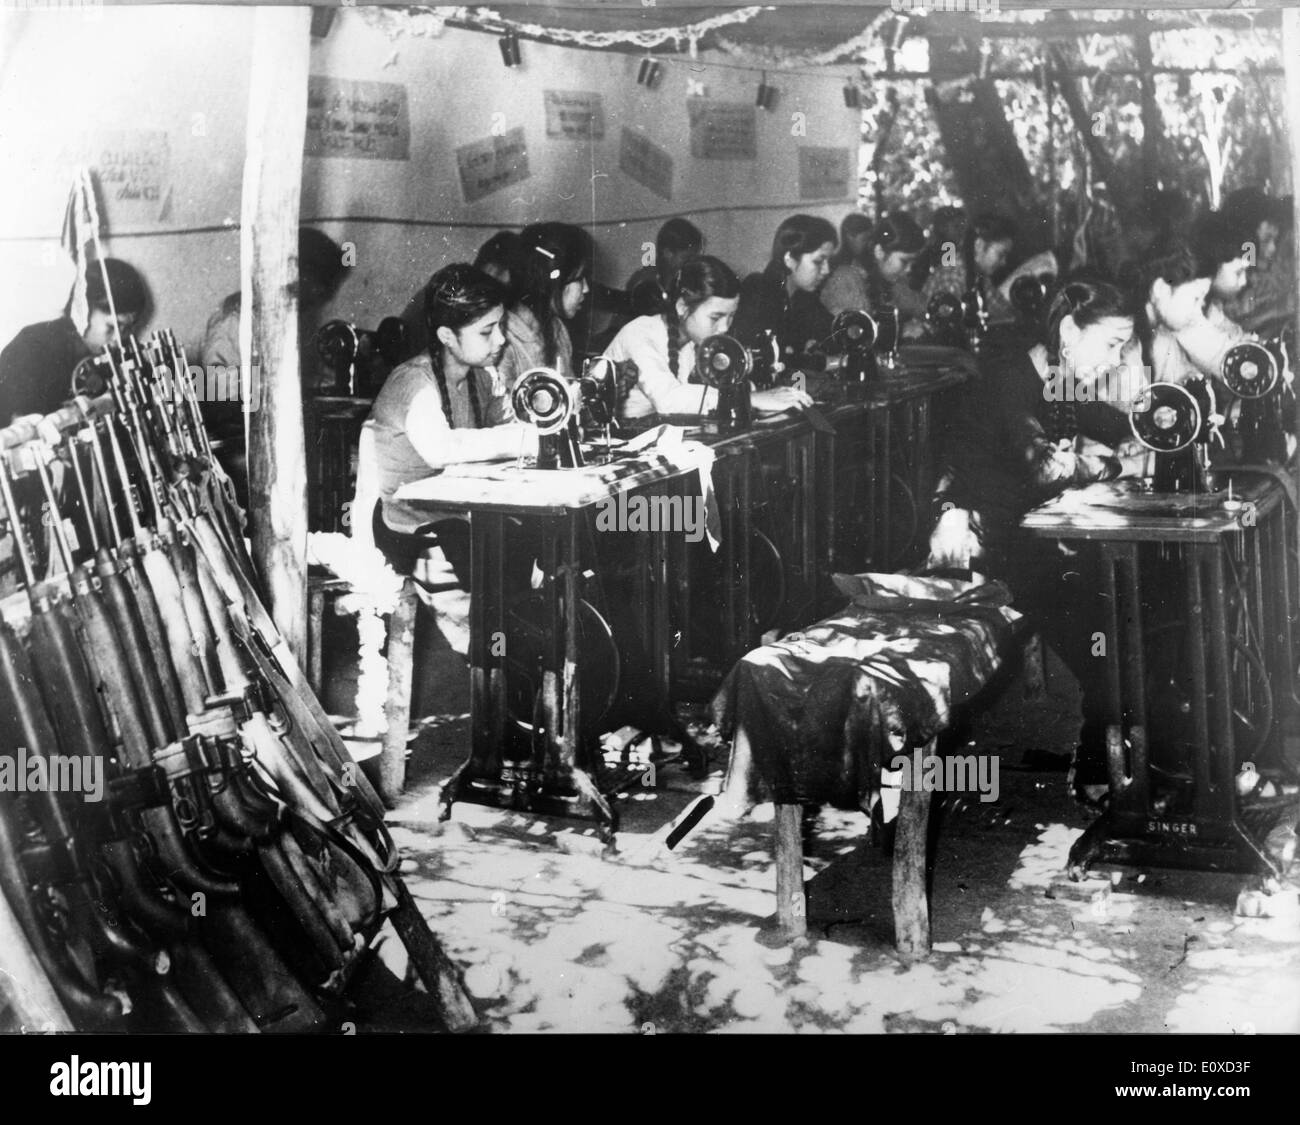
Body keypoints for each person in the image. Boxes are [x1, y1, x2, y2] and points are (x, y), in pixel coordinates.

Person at [927, 280, 1146, 802]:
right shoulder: (1010, 378)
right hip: (987, 550)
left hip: (1029, 542)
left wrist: (1151, 427)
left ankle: (1110, 766)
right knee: (1109, 635)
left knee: (1122, 616)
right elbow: (1044, 466)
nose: (1117, 360)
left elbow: (1119, 423)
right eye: (1113, 344)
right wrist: (1114, 463)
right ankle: (1099, 775)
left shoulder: (1057, 379)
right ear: (1071, 330)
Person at [363, 263, 538, 583]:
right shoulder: (413, 382)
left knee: (528, 535)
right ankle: (499, 624)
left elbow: (511, 424)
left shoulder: (483, 377)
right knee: (488, 547)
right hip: (405, 524)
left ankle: (514, 621)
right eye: (486, 331)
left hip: (452, 513)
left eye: (500, 326)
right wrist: (524, 439)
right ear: (446, 335)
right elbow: (440, 450)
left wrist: (532, 432)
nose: (500, 340)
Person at [200, 227, 349, 506]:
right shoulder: (237, 318)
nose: (322, 296)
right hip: (239, 452)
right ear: (294, 272)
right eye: (319, 285)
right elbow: (218, 396)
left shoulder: (280, 314)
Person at [602, 255, 813, 420]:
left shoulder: (695, 342)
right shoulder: (638, 333)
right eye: (716, 317)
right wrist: (749, 399)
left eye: (731, 317)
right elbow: (668, 400)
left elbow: (717, 388)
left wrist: (764, 392)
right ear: (683, 307)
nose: (724, 328)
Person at [0, 258, 149, 423]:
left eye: (127, 329)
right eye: (112, 327)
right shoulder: (33, 346)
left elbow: (167, 387)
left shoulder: (124, 353)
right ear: (82, 310)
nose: (118, 339)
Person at [732, 214, 838, 370]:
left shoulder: (804, 297)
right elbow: (768, 357)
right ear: (789, 258)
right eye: (818, 261)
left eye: (829, 261)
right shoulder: (758, 290)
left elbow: (833, 333)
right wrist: (828, 362)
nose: (826, 270)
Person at [497, 222, 591, 388]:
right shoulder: (502, 339)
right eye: (579, 279)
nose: (586, 288)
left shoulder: (558, 330)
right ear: (550, 279)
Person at [921, 212, 1017, 326]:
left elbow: (1003, 310)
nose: (1003, 262)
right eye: (1001, 255)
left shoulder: (978, 276)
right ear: (979, 245)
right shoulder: (953, 277)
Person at [623, 218, 705, 319]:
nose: (693, 263)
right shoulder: (643, 282)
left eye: (696, 257)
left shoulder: (687, 278)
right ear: (668, 253)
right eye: (687, 258)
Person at [817, 212, 873, 317]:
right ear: (850, 236)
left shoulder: (867, 261)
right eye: (864, 239)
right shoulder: (836, 266)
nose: (868, 244)